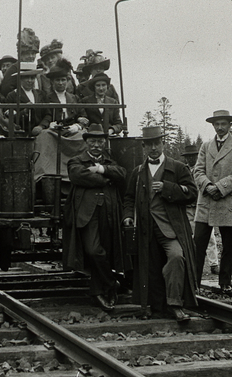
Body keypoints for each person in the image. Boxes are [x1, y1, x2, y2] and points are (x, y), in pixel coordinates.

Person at [122, 126, 199, 320]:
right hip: (146, 229)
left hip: (171, 229)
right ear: (143, 147)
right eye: (149, 144)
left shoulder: (178, 168)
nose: (154, 148)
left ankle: (175, 304)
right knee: (151, 267)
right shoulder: (138, 172)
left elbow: (192, 193)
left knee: (176, 257)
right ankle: (155, 308)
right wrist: (128, 215)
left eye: (157, 143)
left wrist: (168, 188)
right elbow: (129, 198)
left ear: (163, 143)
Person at [66, 122, 127, 309]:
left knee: (105, 251)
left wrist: (101, 169)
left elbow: (122, 173)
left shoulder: (109, 162)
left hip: (108, 211)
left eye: (99, 142)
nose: (96, 145)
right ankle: (111, 283)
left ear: (104, 143)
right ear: (86, 142)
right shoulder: (76, 161)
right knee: (93, 250)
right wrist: (106, 180)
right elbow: (78, 176)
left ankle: (98, 291)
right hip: (87, 213)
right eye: (92, 141)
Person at [192, 109, 232, 291]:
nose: (220, 127)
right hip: (207, 201)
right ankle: (193, 284)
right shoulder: (205, 146)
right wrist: (208, 186)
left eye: (223, 124)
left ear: (230, 125)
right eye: (217, 124)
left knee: (228, 245)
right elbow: (197, 171)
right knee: (198, 242)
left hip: (228, 200)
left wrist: (219, 187)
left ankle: (225, 282)